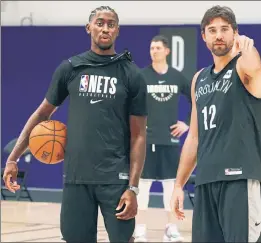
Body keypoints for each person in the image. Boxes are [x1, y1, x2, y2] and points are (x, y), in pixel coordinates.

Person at [2, 6, 148, 243]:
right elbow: (41, 115)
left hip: (115, 178)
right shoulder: (70, 68)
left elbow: (139, 135)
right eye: (99, 23)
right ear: (88, 28)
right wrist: (13, 158)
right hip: (76, 177)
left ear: (118, 31)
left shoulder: (132, 74)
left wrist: (133, 188)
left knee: (124, 239)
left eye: (111, 24)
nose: (105, 28)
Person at [171, 5, 261, 243]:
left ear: (235, 33)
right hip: (206, 181)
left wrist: (248, 49)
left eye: (224, 29)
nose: (219, 35)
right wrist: (179, 185)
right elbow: (194, 138)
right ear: (204, 36)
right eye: (212, 30)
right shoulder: (198, 79)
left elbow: (254, 69)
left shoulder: (243, 67)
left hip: (240, 180)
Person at [134, 35, 191, 242]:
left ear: (167, 51)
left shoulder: (177, 77)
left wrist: (187, 124)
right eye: (151, 48)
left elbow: (196, 99)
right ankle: (140, 229)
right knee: (142, 187)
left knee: (171, 186)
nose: (154, 51)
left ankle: (171, 228)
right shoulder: (141, 76)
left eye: (158, 47)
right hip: (147, 141)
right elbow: (129, 103)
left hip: (170, 140)